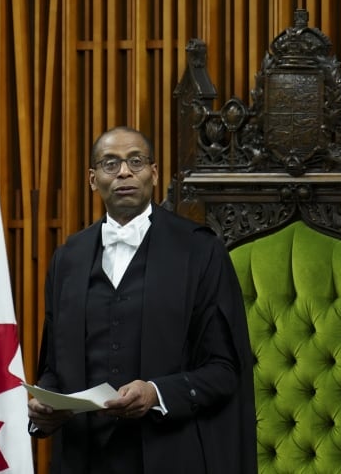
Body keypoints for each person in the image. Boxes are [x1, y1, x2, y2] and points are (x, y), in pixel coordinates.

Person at [28, 126, 257, 474]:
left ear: (154, 172)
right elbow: (53, 368)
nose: (124, 171)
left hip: (172, 456)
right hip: (84, 459)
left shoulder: (200, 251)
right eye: (110, 163)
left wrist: (157, 393)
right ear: (92, 179)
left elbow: (226, 369)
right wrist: (44, 407)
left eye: (135, 161)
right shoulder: (67, 259)